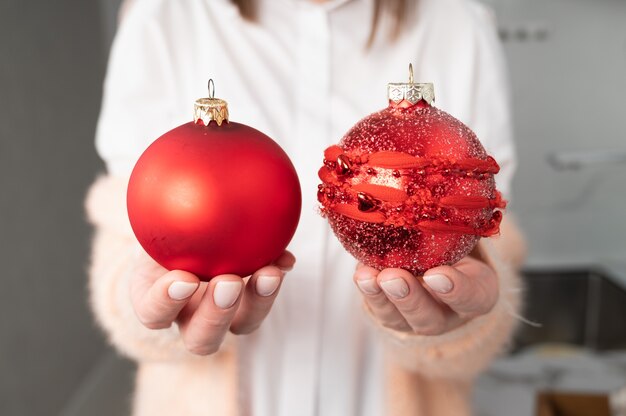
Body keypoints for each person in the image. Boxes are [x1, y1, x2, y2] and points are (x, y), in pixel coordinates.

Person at [86, 0, 526, 415]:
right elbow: (128, 238)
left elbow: (485, 231)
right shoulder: (167, 15)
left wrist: (464, 323)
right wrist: (146, 306)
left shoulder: (456, 22)